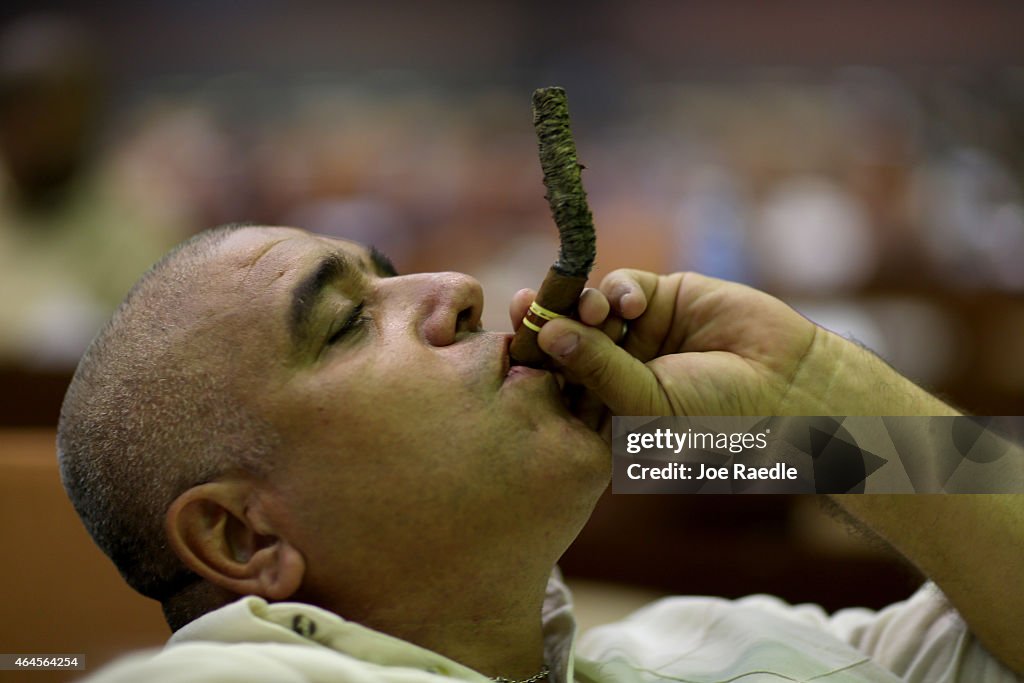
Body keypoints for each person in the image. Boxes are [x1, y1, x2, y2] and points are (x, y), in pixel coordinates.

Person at [57, 224, 1022, 682]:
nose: (462, 287)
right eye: (350, 322)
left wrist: (819, 399)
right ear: (240, 533)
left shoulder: (719, 646)